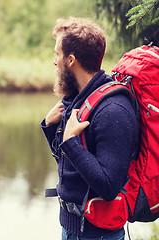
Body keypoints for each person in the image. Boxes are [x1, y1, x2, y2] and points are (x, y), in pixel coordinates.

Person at [40, 17, 138, 240]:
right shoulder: (79, 100)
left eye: (57, 55)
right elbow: (73, 168)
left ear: (71, 60)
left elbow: (108, 186)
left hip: (97, 235)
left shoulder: (113, 110)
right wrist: (50, 128)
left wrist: (72, 141)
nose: (55, 62)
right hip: (73, 227)